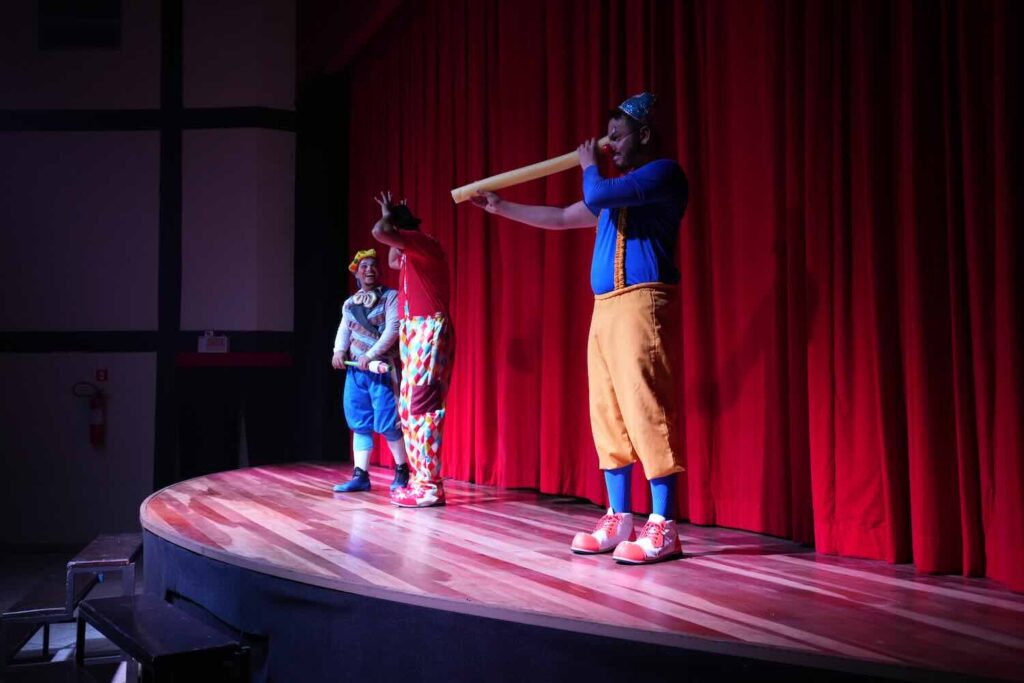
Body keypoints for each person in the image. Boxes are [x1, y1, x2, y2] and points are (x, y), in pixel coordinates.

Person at [469, 92, 688, 563]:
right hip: (604, 309)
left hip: (642, 302)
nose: (609, 146)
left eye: (617, 137)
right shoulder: (616, 190)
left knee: (646, 408)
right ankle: (619, 516)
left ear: (644, 135)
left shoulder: (663, 174)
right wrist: (501, 207)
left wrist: (589, 164)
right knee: (607, 412)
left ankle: (664, 524)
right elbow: (564, 216)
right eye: (606, 139)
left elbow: (595, 193)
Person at [370, 192, 454, 508]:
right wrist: (392, 219)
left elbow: (380, 232)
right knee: (408, 409)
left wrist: (386, 215)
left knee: (422, 406)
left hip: (428, 328)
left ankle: (429, 486)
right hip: (413, 330)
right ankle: (421, 480)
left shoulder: (424, 243)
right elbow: (393, 257)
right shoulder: (408, 253)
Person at [331, 248, 409, 493]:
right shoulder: (349, 304)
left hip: (382, 369)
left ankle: (402, 470)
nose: (369, 270)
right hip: (357, 371)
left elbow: (392, 330)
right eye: (363, 266)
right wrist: (338, 351)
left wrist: (371, 355)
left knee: (388, 422)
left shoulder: (390, 297)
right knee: (359, 422)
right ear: (356, 273)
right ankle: (360, 475)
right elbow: (344, 330)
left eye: (373, 265)